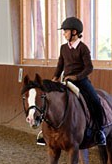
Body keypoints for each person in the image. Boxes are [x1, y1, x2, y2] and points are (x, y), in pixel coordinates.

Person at [37, 16, 106, 146]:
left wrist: (77, 77)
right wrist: (55, 77)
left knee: (95, 101)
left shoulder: (83, 48)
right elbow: (60, 64)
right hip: (66, 80)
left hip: (81, 81)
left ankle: (99, 131)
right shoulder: (63, 48)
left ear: (74, 32)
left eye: (66, 31)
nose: (63, 34)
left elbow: (89, 67)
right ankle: (44, 132)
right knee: (49, 100)